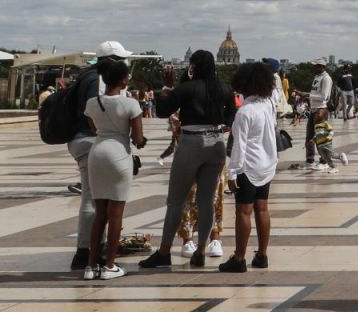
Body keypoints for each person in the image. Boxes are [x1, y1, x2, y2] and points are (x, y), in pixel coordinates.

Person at [139, 50, 235, 270]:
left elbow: (163, 111)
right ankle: (201, 249)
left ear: (193, 66)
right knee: (206, 200)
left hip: (192, 142)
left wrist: (166, 87)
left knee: (176, 200)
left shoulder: (187, 88)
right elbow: (232, 115)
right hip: (216, 143)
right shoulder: (224, 88)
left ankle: (164, 252)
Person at [68, 41, 132, 271]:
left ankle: (92, 249)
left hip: (81, 139)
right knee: (92, 200)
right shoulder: (99, 80)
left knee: (95, 199)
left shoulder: (86, 75)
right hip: (92, 141)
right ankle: (85, 251)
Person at [82, 59, 144, 281]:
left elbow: (95, 128)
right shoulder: (131, 104)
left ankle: (91, 266)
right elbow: (137, 139)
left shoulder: (92, 102)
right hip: (118, 155)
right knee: (116, 214)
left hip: (97, 153)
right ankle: (109, 264)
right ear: (124, 79)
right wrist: (141, 140)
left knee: (100, 213)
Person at [220, 62, 277, 273]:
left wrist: (232, 172)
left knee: (243, 212)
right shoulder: (268, 105)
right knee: (262, 209)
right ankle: (262, 255)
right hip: (267, 165)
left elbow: (239, 145)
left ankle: (239, 257)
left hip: (248, 167)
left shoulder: (244, 112)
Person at [305, 62, 333, 166]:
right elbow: (315, 93)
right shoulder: (317, 77)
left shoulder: (326, 78)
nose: (313, 67)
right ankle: (310, 158)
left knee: (321, 136)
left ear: (322, 67)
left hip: (320, 110)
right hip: (313, 109)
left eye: (316, 66)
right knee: (310, 136)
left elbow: (324, 97)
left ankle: (324, 159)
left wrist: (308, 95)